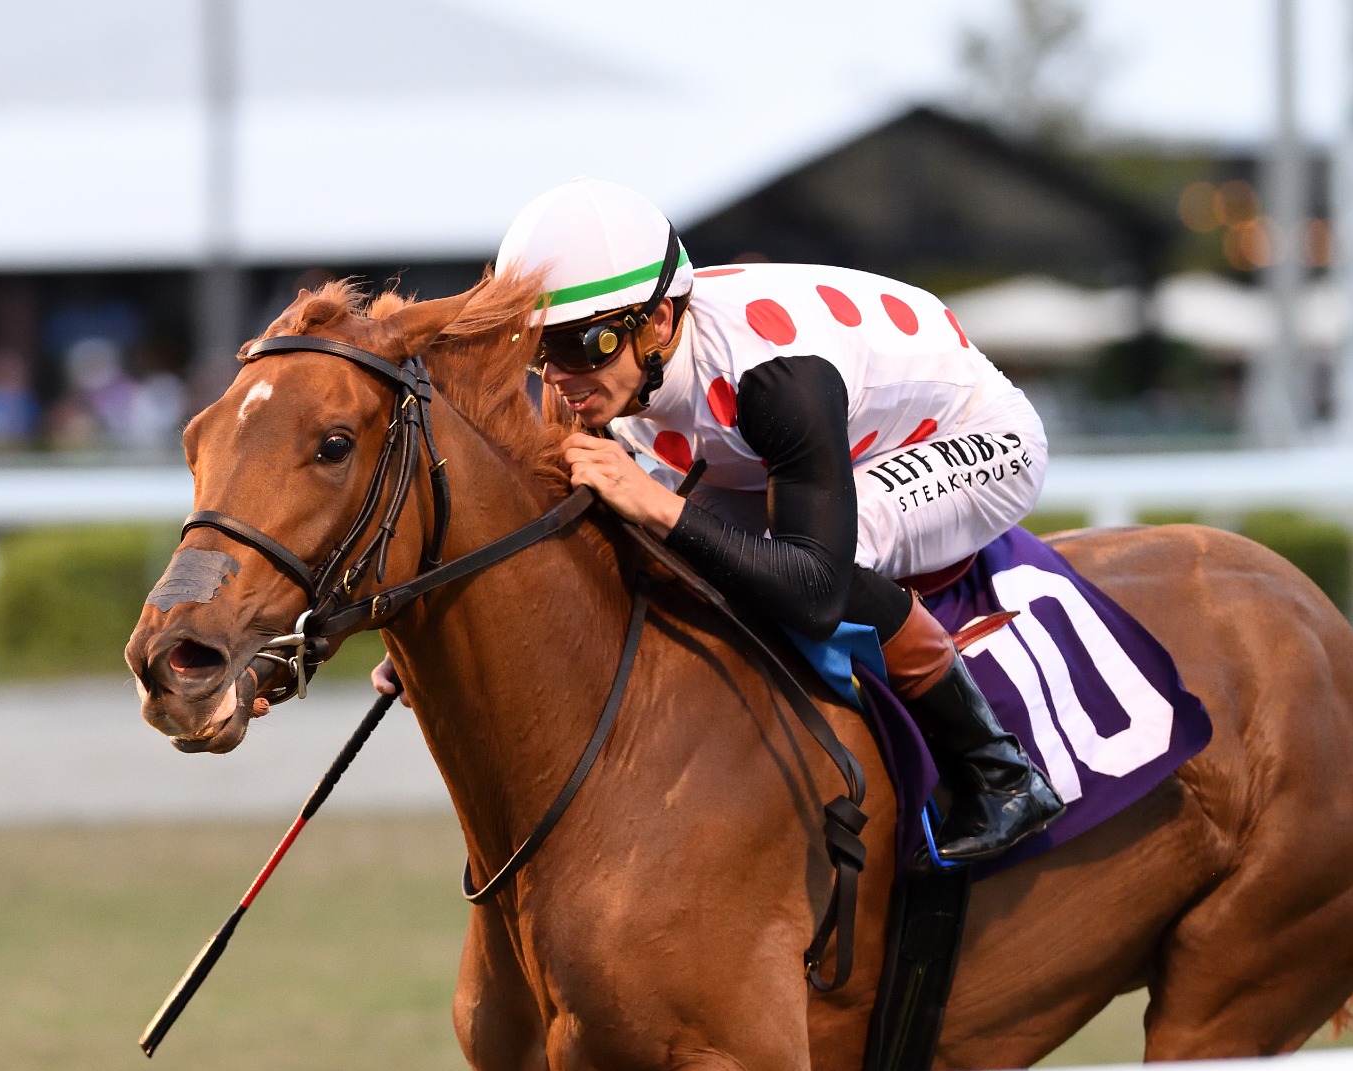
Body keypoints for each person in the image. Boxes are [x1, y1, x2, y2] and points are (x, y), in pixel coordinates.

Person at [378, 178, 1062, 863]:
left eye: (581, 345)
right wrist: (444, 630)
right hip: (788, 439)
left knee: (815, 555)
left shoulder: (777, 382)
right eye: (537, 351)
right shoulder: (607, 373)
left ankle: (1000, 772)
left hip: (963, 431)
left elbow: (815, 591)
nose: (556, 378)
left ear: (659, 323)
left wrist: (658, 504)